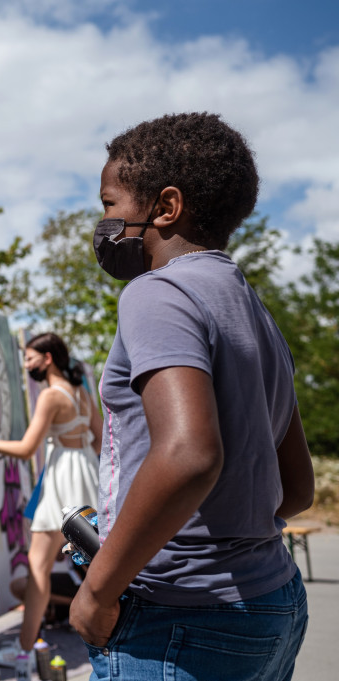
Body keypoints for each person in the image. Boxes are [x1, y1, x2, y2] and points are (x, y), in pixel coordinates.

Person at [70, 112, 314, 681]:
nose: (103, 221)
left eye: (110, 204)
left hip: (180, 625)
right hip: (273, 603)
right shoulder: (255, 311)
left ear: (166, 206)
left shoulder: (157, 292)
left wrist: (100, 591)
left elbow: (188, 454)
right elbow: (297, 488)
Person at [0, 332, 100, 676]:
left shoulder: (50, 396)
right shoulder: (81, 393)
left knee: (37, 570)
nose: (27, 365)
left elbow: (25, 448)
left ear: (47, 358)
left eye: (30, 358)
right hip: (85, 477)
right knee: (96, 559)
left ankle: (22, 653)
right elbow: (99, 438)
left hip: (62, 480)